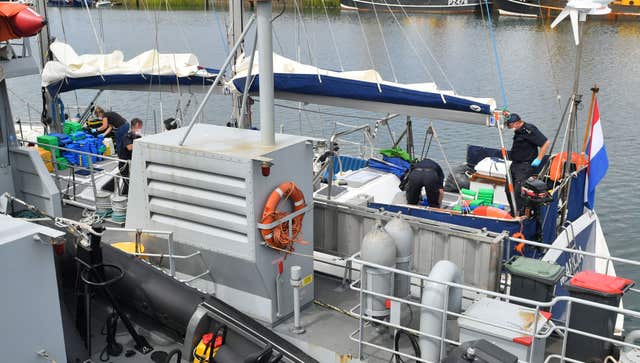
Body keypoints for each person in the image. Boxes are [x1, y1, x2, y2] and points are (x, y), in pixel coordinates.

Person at [504, 113, 550, 214]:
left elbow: (546, 143)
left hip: (524, 166)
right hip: (514, 165)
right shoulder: (518, 130)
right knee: (508, 190)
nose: (509, 128)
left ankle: (521, 214)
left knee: (518, 192)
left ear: (516, 123)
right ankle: (513, 211)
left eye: (510, 126)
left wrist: (539, 158)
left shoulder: (529, 130)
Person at [117, 118, 143, 195]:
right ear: (137, 126)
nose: (141, 128)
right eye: (140, 126)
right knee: (129, 184)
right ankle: (125, 197)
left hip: (133, 165)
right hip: (125, 165)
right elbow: (129, 147)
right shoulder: (127, 136)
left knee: (132, 184)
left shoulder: (138, 137)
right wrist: (141, 143)